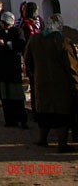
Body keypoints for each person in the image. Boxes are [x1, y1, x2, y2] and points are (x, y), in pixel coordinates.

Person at [24, 14, 78, 152]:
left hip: (41, 83)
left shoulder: (34, 39)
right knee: (62, 115)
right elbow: (72, 67)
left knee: (44, 112)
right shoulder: (63, 42)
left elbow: (27, 60)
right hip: (61, 86)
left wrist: (34, 74)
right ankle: (62, 144)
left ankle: (43, 139)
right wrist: (76, 85)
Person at [0, 11, 27, 129]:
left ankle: (22, 119)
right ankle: (9, 120)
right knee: (5, 96)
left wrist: (6, 43)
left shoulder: (17, 32)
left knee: (17, 95)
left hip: (13, 68)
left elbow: (20, 45)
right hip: (2, 68)